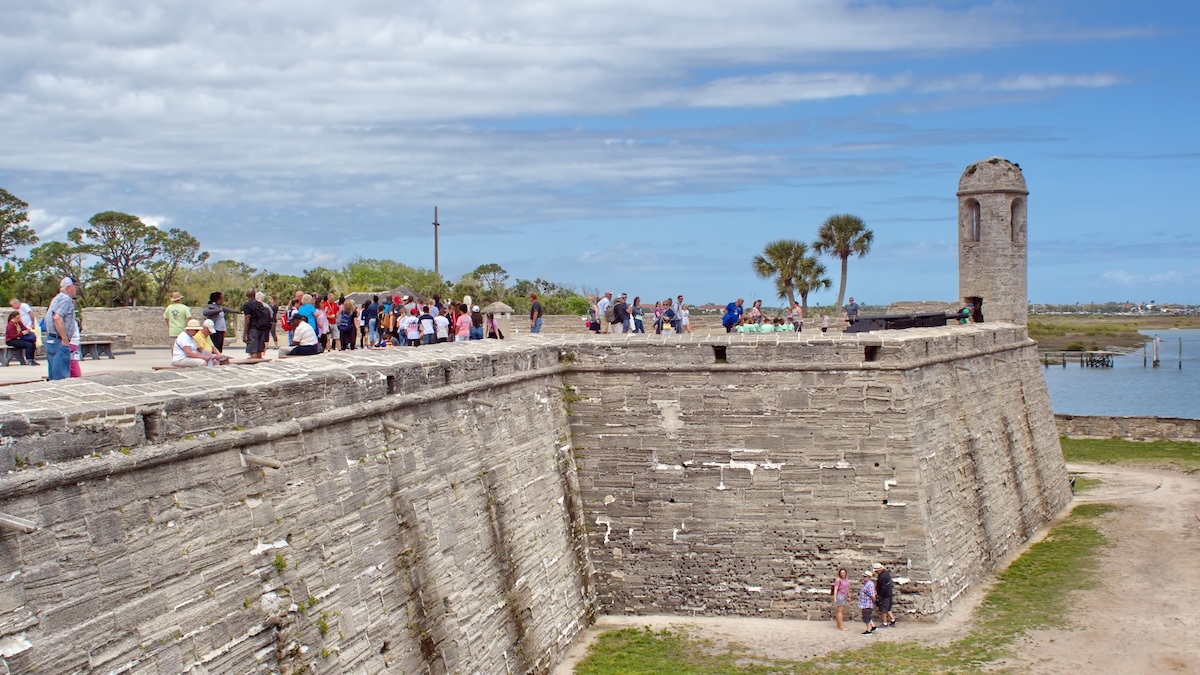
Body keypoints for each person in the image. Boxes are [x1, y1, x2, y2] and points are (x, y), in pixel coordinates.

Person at [44, 277, 79, 381]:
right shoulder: (66, 299)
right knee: (61, 377)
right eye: (75, 287)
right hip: (59, 340)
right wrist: (64, 338)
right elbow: (57, 317)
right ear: (69, 288)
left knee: (54, 373)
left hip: (51, 339)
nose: (76, 290)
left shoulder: (56, 298)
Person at [241, 289, 269, 359]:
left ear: (247, 295)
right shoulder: (259, 304)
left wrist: (244, 334)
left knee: (253, 350)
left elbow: (247, 319)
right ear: (254, 294)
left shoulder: (247, 305)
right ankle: (259, 365)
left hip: (253, 329)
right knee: (259, 350)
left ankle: (254, 364)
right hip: (261, 328)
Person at [874, 563, 895, 627]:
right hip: (889, 593)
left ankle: (884, 623)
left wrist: (880, 596)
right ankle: (893, 620)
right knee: (888, 608)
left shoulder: (881, 577)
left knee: (883, 609)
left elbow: (883, 588)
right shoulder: (886, 573)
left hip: (885, 595)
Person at [858, 570, 877, 634]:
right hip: (865, 603)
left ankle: (869, 630)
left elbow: (872, 595)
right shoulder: (866, 583)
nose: (863, 578)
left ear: (869, 577)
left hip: (867, 604)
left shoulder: (869, 584)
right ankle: (873, 626)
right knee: (868, 616)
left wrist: (874, 602)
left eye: (865, 576)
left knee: (866, 617)